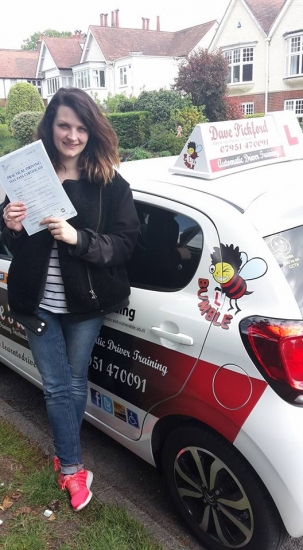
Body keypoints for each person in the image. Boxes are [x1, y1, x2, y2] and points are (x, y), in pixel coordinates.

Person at [0, 87, 140, 511]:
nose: (72, 136)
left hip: (86, 304)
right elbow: (11, 241)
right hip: (37, 301)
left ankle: (66, 450)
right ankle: (72, 470)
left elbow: (127, 243)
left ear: (91, 131)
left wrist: (79, 238)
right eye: (64, 125)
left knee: (74, 382)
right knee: (58, 387)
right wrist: (9, 223)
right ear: (51, 126)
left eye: (81, 128)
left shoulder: (110, 183)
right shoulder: (26, 174)